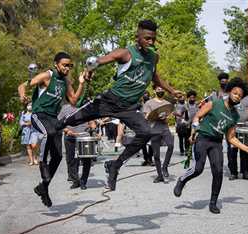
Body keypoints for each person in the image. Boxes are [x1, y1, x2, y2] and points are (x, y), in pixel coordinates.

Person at [56, 20, 181, 191]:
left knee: (146, 132)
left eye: (153, 39)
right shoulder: (125, 53)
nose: (151, 42)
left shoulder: (153, 57)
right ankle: (55, 125)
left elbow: (154, 77)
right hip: (109, 101)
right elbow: (99, 60)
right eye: (147, 39)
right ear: (137, 37)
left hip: (129, 107)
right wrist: (89, 69)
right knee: (72, 120)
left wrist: (171, 91)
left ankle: (115, 166)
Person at [173, 78, 248, 214]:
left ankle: (213, 202)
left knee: (218, 172)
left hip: (216, 143)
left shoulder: (234, 116)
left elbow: (231, 138)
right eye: (235, 93)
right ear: (230, 91)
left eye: (240, 96)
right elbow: (197, 117)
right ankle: (182, 180)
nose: (237, 97)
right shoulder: (214, 103)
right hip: (203, 138)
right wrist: (194, 130)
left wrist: (247, 148)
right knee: (198, 169)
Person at [18, 52, 88, 207]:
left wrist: (82, 83)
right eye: (64, 65)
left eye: (70, 65)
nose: (67, 68)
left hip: (53, 118)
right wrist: (22, 96)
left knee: (57, 156)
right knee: (47, 133)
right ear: (56, 64)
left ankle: (44, 187)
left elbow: (74, 101)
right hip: (39, 115)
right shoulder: (47, 76)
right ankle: (42, 165)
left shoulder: (66, 81)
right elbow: (22, 85)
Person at [143, 86, 175, 182]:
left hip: (165, 128)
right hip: (154, 129)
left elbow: (170, 115)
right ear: (154, 91)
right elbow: (146, 116)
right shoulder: (149, 103)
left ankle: (165, 166)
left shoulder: (167, 103)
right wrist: (153, 115)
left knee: (171, 145)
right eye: (158, 89)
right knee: (156, 155)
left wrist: (167, 117)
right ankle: (159, 175)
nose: (160, 91)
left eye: (162, 89)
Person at [227, 89, 248, 181]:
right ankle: (233, 173)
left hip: (245, 127)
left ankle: (245, 172)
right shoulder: (231, 97)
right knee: (232, 151)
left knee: (245, 150)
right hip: (232, 127)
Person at [63, 117, 97, 190]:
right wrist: (67, 130)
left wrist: (93, 128)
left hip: (84, 137)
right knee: (72, 160)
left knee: (87, 160)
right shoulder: (64, 108)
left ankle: (83, 181)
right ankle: (75, 181)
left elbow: (91, 121)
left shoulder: (85, 108)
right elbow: (60, 124)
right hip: (70, 137)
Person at [175, 90, 199, 155]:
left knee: (194, 138)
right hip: (186, 125)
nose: (192, 99)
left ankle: (191, 150)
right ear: (188, 98)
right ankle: (186, 150)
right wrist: (182, 119)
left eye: (193, 98)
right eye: (191, 98)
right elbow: (178, 114)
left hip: (194, 125)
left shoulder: (196, 105)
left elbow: (199, 114)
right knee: (187, 138)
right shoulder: (185, 106)